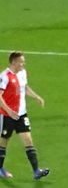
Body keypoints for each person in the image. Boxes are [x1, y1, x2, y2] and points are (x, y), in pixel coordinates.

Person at [0, 51, 48, 180]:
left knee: (28, 140)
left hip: (21, 114)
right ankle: (0, 168)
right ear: (13, 62)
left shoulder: (22, 73)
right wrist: (9, 111)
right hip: (7, 116)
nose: (23, 64)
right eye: (21, 62)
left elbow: (24, 88)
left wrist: (36, 97)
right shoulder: (4, 76)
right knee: (3, 142)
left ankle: (36, 171)